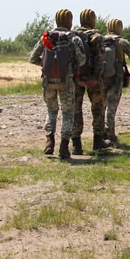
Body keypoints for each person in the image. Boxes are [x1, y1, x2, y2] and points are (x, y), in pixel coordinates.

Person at [28, 9, 85, 160]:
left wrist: (46, 66)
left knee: (51, 110)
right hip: (66, 81)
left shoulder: (46, 37)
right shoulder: (72, 38)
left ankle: (49, 142)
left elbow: (32, 58)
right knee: (67, 113)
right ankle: (64, 146)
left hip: (48, 81)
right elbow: (81, 60)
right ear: (69, 21)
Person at [72, 8, 110, 153]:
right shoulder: (97, 37)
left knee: (76, 110)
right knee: (97, 109)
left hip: (77, 79)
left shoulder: (73, 36)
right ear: (92, 20)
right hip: (93, 80)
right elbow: (100, 60)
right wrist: (95, 78)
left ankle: (76, 144)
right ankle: (98, 141)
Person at [102, 18, 130, 144]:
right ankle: (111, 133)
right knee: (112, 106)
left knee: (101, 106)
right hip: (116, 78)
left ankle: (101, 132)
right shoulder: (122, 42)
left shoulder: (100, 40)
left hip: (101, 78)